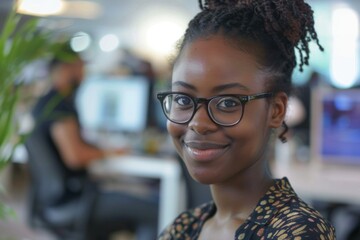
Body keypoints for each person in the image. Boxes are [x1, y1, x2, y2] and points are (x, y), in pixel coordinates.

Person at [156, 0, 336, 239]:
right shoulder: (183, 228)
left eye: (228, 103)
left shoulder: (297, 231)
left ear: (276, 110)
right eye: (183, 100)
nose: (198, 123)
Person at [30, 44, 158, 240]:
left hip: (59, 199)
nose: (83, 75)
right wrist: (110, 152)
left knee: (131, 197)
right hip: (75, 200)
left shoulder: (44, 103)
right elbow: (75, 157)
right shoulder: (59, 105)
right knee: (154, 210)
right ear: (67, 68)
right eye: (81, 68)